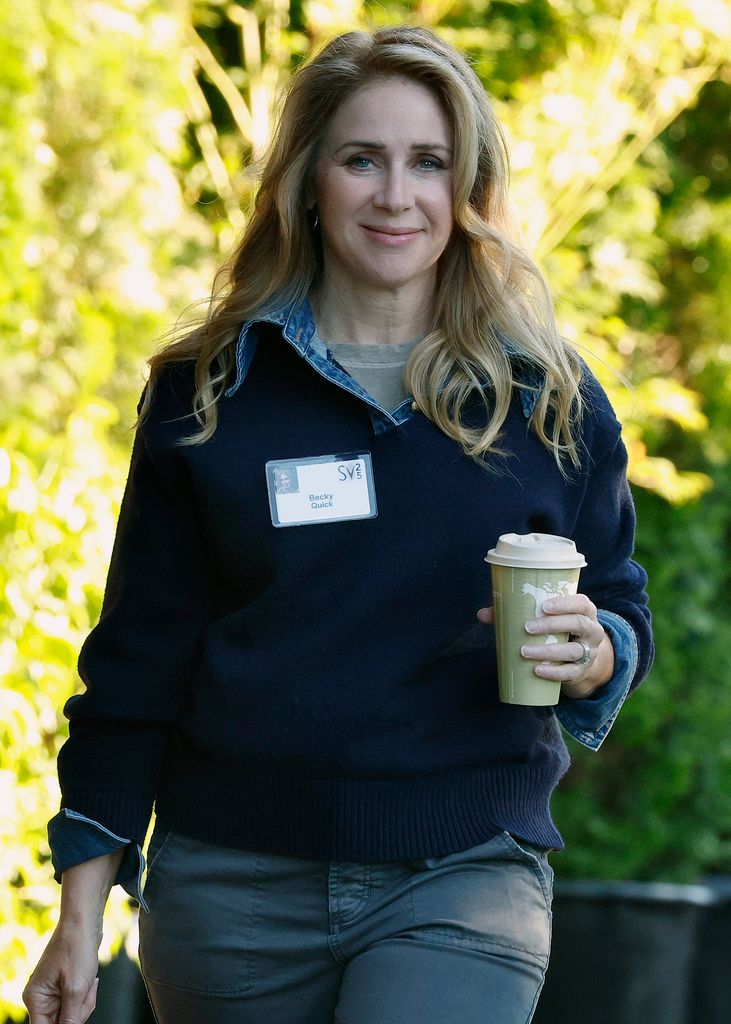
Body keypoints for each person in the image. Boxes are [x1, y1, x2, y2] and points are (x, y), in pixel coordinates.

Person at [23, 24, 653, 1024]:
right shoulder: (209, 392)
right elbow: (137, 661)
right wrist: (80, 911)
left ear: (465, 188)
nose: (395, 195)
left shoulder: (547, 398)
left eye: (428, 163)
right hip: (229, 893)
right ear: (308, 182)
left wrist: (591, 652)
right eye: (362, 159)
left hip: (461, 872)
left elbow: (616, 602)